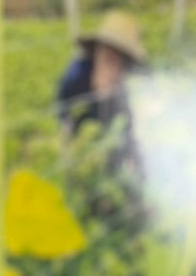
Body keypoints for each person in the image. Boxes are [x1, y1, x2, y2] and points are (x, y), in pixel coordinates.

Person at [54, 9, 147, 171]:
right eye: (108, 55)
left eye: (122, 61)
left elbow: (126, 127)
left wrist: (136, 163)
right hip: (82, 140)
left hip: (108, 137)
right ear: (97, 50)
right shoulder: (76, 75)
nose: (115, 67)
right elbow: (63, 116)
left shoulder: (121, 89)